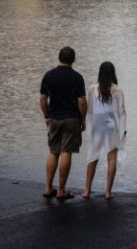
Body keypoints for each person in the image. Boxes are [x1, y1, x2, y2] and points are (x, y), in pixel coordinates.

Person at [39, 46, 87, 200]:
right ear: (73, 60)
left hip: (54, 118)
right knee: (66, 152)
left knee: (53, 151)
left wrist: (47, 116)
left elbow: (42, 99)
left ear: (59, 58)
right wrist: (82, 119)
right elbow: (81, 102)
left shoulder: (48, 75)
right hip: (71, 118)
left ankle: (48, 188)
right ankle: (61, 190)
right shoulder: (77, 77)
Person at [82, 61, 127, 201]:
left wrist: (88, 125)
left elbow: (90, 110)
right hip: (111, 125)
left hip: (97, 124)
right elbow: (122, 112)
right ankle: (108, 192)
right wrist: (123, 130)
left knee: (93, 155)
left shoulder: (92, 88)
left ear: (100, 73)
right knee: (112, 157)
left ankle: (87, 191)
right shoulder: (118, 90)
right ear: (113, 73)